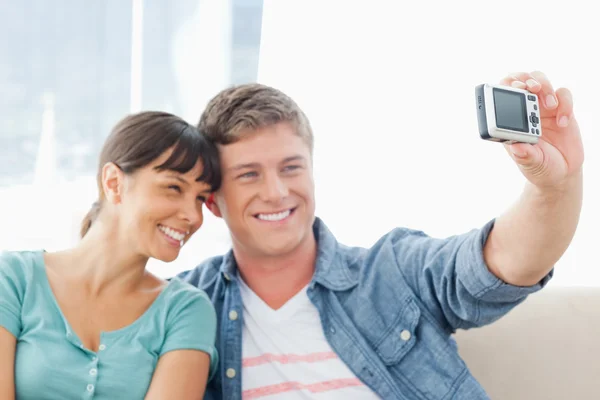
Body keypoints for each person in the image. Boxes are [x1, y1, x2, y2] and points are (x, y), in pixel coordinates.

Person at [180, 71, 584, 399]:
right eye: (249, 174)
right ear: (212, 200)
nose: (277, 192)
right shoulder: (184, 310)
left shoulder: (391, 271)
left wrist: (554, 186)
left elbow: (503, 262)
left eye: (291, 167)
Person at [0, 111, 222, 399]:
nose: (193, 216)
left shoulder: (185, 311)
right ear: (114, 183)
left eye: (201, 199)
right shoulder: (14, 280)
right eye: (173, 188)